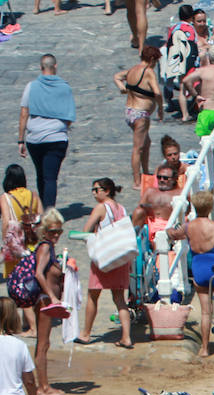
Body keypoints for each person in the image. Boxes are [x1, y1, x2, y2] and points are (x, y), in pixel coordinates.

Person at [166, 189, 214, 357]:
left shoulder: (188, 227)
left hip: (199, 267)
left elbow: (174, 234)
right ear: (211, 205)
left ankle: (205, 348)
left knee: (205, 311)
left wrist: (169, 230)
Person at [10, 210, 66, 395]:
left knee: (45, 343)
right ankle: (43, 386)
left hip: (45, 300)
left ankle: (42, 384)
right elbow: (39, 274)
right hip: (44, 301)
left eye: (59, 231)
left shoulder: (48, 246)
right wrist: (53, 296)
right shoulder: (45, 247)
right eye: (52, 231)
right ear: (44, 231)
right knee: (43, 344)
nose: (56, 235)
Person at [80, 179, 133, 349]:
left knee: (93, 295)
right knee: (119, 299)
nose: (94, 193)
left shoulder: (101, 207)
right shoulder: (122, 208)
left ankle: (86, 334)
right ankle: (126, 337)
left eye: (96, 190)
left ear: (107, 190)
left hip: (104, 257)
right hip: (120, 258)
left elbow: (86, 230)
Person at [19, 55, 74, 209]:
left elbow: (24, 113)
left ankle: (43, 207)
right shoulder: (65, 87)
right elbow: (69, 116)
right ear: (55, 66)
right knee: (50, 178)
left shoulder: (31, 86)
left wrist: (20, 140)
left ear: (41, 67)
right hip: (56, 138)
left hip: (34, 139)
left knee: (40, 175)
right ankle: (48, 211)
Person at [115, 47, 164, 184]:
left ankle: (146, 173)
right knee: (138, 147)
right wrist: (160, 108)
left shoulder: (132, 70)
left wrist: (122, 88)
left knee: (146, 143)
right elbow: (157, 93)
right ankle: (137, 181)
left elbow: (117, 76)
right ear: (152, 59)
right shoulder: (148, 72)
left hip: (130, 110)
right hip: (140, 114)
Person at [1, 166, 39, 287]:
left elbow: (6, 222)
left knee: (14, 281)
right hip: (32, 243)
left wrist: (4, 242)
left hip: (15, 245)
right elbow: (43, 218)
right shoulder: (33, 195)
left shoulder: (5, 197)